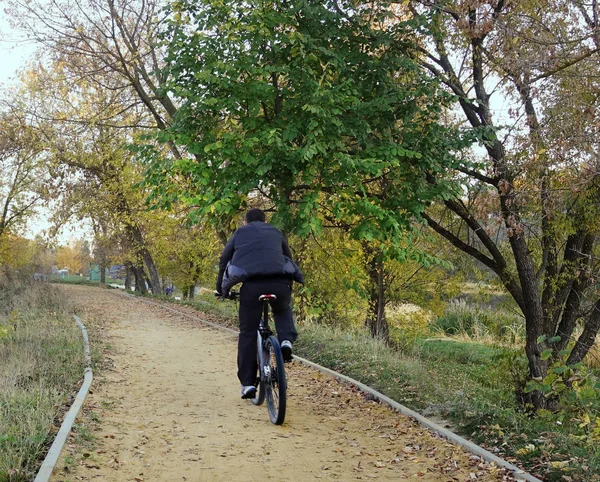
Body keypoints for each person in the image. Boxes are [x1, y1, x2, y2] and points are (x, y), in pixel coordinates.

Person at [216, 208, 304, 399]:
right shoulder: (275, 232)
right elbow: (287, 257)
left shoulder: (240, 232)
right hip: (280, 283)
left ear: (245, 222)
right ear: (265, 221)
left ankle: (248, 384)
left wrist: (221, 288)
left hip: (252, 287)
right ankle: (286, 340)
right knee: (282, 309)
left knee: (248, 332)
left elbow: (224, 259)